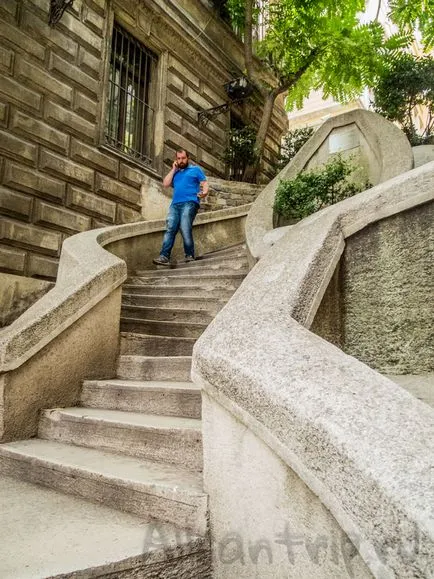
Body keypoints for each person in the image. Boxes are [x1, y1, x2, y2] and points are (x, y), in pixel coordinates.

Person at [153, 149, 208, 266]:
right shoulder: (176, 173)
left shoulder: (195, 170)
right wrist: (173, 169)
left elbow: (204, 183)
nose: (181, 160)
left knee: (184, 226)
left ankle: (189, 255)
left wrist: (205, 192)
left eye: (183, 158)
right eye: (178, 158)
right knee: (170, 228)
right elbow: (165, 184)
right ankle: (164, 256)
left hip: (190, 202)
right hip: (175, 205)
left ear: (188, 158)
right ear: (176, 160)